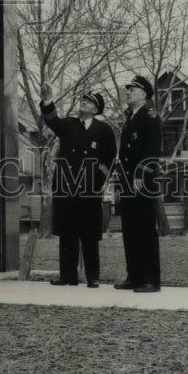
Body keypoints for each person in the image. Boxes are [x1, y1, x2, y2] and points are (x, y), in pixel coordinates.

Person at [40, 83, 117, 287]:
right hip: (66, 186)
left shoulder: (104, 130)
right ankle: (68, 276)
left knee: (89, 233)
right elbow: (51, 120)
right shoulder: (69, 125)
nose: (83, 102)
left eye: (88, 101)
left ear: (96, 108)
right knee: (67, 233)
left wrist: (97, 181)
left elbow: (109, 158)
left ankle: (93, 277)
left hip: (88, 189)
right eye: (83, 100)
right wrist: (48, 100)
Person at [113, 74, 163, 293]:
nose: (129, 92)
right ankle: (134, 276)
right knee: (130, 230)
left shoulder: (150, 116)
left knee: (144, 229)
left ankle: (150, 280)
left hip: (142, 181)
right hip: (128, 182)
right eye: (128, 89)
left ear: (143, 93)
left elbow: (152, 150)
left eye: (132, 89)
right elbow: (124, 155)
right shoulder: (130, 118)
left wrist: (140, 175)